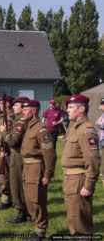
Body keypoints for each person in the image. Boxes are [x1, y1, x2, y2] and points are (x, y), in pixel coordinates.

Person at [61, 94, 100, 235]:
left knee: (80, 222)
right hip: (70, 179)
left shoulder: (86, 130)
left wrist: (88, 185)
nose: (68, 110)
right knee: (73, 217)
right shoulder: (75, 127)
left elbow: (93, 159)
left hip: (79, 180)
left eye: (71, 107)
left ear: (81, 109)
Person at [21, 100, 56, 241]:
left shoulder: (41, 129)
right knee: (29, 199)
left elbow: (49, 153)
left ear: (34, 111)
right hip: (27, 167)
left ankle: (40, 230)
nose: (23, 112)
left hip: (36, 168)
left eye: (26, 109)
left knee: (37, 200)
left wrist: (48, 174)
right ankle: (36, 225)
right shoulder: (29, 127)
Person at [0, 96, 29, 224]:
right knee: (18, 184)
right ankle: (25, 210)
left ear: (23, 108)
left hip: (18, 156)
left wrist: (4, 132)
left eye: (16, 105)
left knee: (16, 184)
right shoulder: (18, 120)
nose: (13, 107)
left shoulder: (21, 122)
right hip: (14, 154)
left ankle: (20, 212)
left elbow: (14, 141)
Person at [96, 97, 104, 185]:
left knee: (102, 157)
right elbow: (97, 122)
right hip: (101, 137)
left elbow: (101, 125)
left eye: (102, 104)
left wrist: (100, 123)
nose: (101, 106)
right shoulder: (102, 114)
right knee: (101, 156)